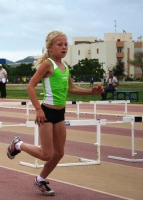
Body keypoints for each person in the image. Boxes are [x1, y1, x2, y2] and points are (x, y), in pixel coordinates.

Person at [6, 30, 103, 196]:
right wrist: (38, 109)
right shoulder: (47, 64)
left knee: (59, 153)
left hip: (60, 114)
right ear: (50, 47)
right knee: (46, 154)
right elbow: (30, 86)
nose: (64, 47)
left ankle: (40, 180)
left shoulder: (65, 67)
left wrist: (90, 92)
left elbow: (71, 88)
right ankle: (18, 144)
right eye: (60, 44)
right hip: (46, 112)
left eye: (66, 44)